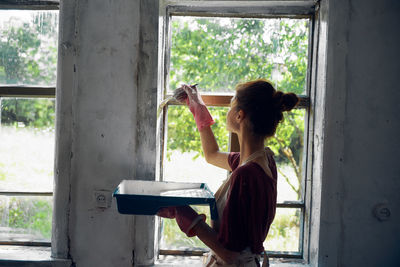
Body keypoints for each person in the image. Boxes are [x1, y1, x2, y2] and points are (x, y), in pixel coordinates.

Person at [157, 79, 299, 267]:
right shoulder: (263, 160)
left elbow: (229, 253)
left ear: (239, 115)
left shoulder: (246, 174)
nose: (228, 110)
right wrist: (198, 108)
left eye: (231, 105)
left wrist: (184, 214)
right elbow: (212, 155)